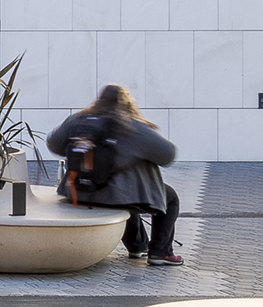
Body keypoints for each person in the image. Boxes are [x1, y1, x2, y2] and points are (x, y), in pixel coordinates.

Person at [48, 84, 184, 266]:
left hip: (77, 192)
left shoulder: (78, 121)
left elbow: (53, 143)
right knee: (169, 198)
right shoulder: (131, 127)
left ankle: (138, 247)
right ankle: (161, 252)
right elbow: (168, 154)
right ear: (127, 103)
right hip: (116, 195)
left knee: (125, 195)